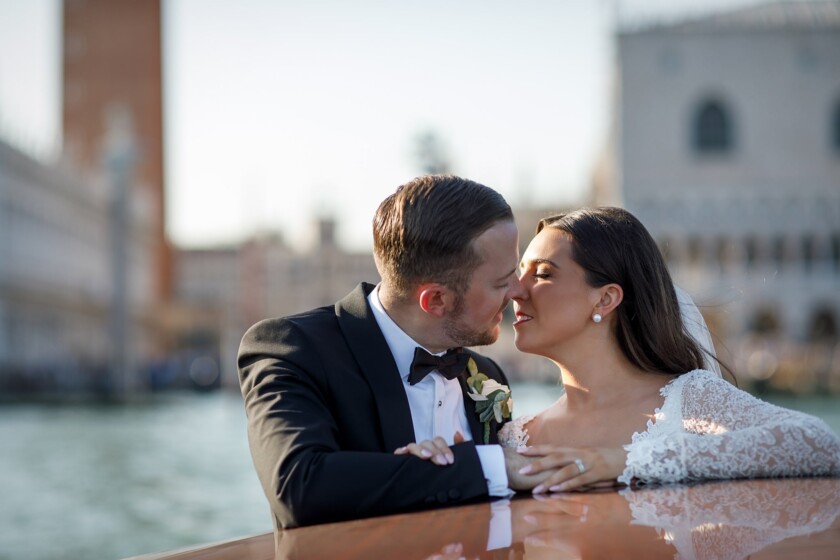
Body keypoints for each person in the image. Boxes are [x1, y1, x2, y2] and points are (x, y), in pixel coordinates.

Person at [406, 207, 840, 491]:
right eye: (520, 273)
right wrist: (437, 461)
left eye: (542, 273)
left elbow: (817, 443)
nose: (516, 289)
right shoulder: (517, 437)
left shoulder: (690, 400)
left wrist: (623, 459)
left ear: (606, 298)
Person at [237, 175, 551, 530]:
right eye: (502, 281)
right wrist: (485, 466)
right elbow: (300, 488)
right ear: (435, 300)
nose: (519, 290)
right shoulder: (291, 350)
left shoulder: (488, 376)